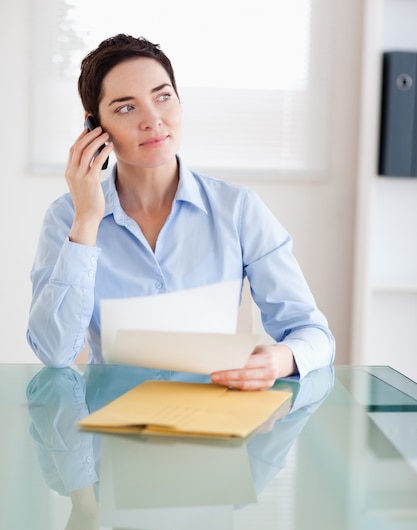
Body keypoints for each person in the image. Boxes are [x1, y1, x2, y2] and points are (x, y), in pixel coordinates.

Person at [27, 34, 335, 390]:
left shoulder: (237, 209)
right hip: (109, 430)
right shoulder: (67, 217)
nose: (153, 120)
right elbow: (54, 351)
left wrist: (279, 360)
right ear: (95, 128)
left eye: (163, 97)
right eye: (127, 107)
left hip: (213, 420)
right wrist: (86, 221)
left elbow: (314, 334)